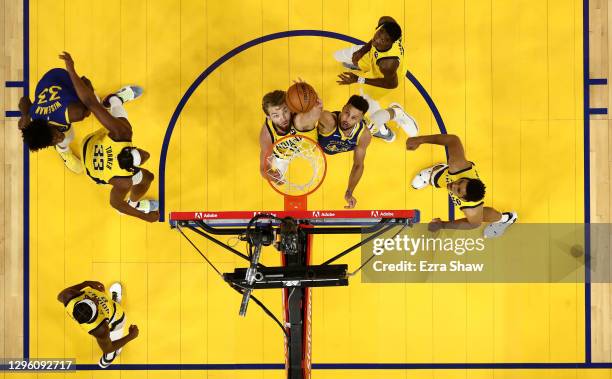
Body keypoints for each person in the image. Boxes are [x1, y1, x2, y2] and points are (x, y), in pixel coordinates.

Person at [59, 51, 159, 222]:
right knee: (147, 178)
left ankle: (114, 100)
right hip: (91, 161)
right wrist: (144, 216)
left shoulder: (121, 137)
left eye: (140, 152)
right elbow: (116, 204)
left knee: (124, 129)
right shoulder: (124, 181)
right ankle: (134, 204)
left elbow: (90, 102)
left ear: (128, 149)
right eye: (142, 156)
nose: (146, 154)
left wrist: (71, 70)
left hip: (90, 149)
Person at [406, 134, 517, 238]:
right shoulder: (458, 166)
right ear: (467, 179)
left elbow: (473, 225)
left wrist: (442, 225)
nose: (453, 185)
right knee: (439, 177)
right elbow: (452, 140)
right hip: (451, 173)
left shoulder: (471, 209)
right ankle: (434, 172)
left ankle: (506, 218)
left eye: (458, 190)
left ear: (464, 199)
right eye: (460, 182)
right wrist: (420, 140)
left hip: (474, 210)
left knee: (478, 216)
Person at [318, 95, 416, 208]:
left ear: (360, 119)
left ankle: (397, 112)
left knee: (376, 122)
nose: (347, 119)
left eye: (354, 118)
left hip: (366, 130)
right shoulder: (328, 121)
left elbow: (358, 165)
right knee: (375, 127)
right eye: (346, 113)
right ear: (343, 107)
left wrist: (349, 192)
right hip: (330, 138)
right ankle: (385, 132)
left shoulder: (364, 135)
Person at [335, 16, 415, 142]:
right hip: (371, 58)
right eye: (380, 33)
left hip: (383, 78)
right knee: (338, 55)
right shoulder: (387, 23)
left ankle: (384, 131)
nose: (379, 39)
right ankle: (360, 65)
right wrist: (361, 52)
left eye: (385, 40)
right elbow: (375, 41)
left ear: (391, 42)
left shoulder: (388, 64)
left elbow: (392, 84)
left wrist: (359, 79)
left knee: (366, 103)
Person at [17, 68, 95, 173]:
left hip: (63, 79)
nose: (58, 138)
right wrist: (25, 115)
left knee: (92, 104)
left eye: (54, 136)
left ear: (48, 125)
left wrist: (88, 91)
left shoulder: (76, 112)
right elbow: (24, 100)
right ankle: (63, 152)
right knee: (66, 139)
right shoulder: (33, 117)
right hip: (46, 85)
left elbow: (87, 86)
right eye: (52, 142)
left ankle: (106, 103)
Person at [57, 281, 138, 368]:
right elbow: (108, 348)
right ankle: (108, 360)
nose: (95, 299)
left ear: (79, 302)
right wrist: (131, 336)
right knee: (111, 348)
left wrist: (87, 283)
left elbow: (59, 297)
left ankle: (113, 301)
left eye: (90, 299)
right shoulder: (101, 329)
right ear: (95, 315)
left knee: (108, 304)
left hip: (107, 308)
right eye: (95, 303)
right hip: (116, 318)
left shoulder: (68, 296)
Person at [258, 88, 322, 181]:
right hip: (284, 155)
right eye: (276, 115)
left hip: (307, 147)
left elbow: (314, 113)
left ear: (290, 108)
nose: (283, 118)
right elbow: (264, 168)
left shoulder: (299, 118)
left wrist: (313, 100)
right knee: (279, 182)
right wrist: (271, 176)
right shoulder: (267, 134)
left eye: (285, 111)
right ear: (269, 117)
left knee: (300, 121)